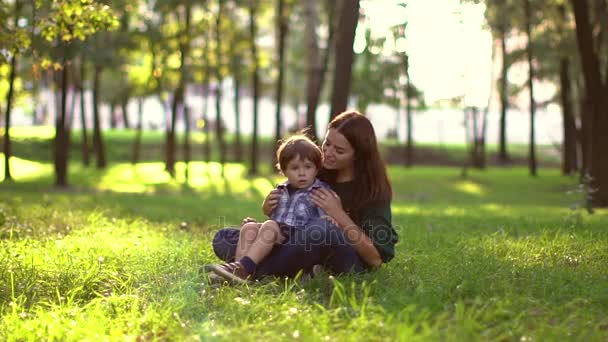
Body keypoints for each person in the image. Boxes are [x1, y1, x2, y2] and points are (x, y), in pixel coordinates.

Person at [207, 111, 398, 283]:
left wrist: (338, 215)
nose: (328, 153)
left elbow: (375, 259)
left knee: (322, 229)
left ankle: (251, 272)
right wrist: (267, 213)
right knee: (225, 238)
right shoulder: (315, 170)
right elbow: (291, 217)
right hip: (297, 243)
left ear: (358, 155)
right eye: (327, 143)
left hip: (346, 259)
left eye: (339, 151)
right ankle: (297, 270)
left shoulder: (373, 191)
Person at [205, 134, 332, 284]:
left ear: (316, 169)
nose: (302, 173)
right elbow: (274, 216)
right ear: (284, 171)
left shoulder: (319, 190)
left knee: (270, 226)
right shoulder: (280, 189)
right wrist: (265, 210)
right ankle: (238, 273)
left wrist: (327, 218)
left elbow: (325, 219)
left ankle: (245, 268)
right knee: (249, 228)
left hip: (299, 238)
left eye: (308, 167)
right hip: (279, 236)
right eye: (295, 168)